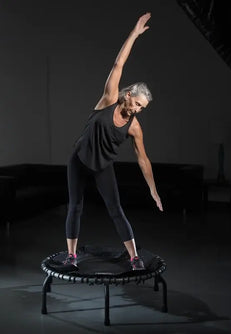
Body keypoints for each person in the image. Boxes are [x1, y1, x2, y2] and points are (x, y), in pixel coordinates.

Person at [63, 12, 163, 271]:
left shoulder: (135, 127)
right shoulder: (109, 100)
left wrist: (153, 189)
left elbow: (143, 159)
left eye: (143, 108)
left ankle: (133, 257)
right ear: (128, 95)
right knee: (75, 207)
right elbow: (118, 64)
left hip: (102, 166)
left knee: (116, 209)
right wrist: (134, 34)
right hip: (79, 160)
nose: (138, 110)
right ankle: (71, 255)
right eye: (138, 104)